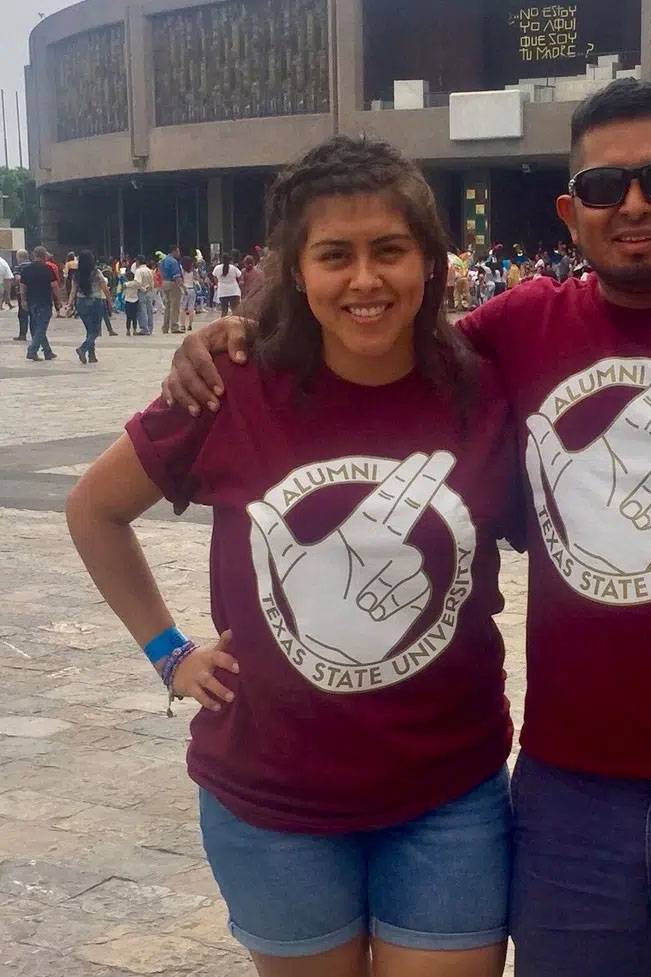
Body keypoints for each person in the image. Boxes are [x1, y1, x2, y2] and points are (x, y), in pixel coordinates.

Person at [165, 79, 651, 977]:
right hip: (570, 799)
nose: (632, 205)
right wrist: (238, 332)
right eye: (603, 187)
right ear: (571, 211)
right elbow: (382, 338)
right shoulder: (516, 329)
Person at [67, 136, 518, 977]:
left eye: (389, 250)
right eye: (334, 255)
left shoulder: (486, 390)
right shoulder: (230, 385)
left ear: (429, 259)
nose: (364, 280)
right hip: (272, 799)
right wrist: (169, 652)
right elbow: (94, 509)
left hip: (448, 794)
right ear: (296, 268)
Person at [65, 250, 113, 364]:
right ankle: (83, 348)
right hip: (95, 302)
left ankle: (92, 355)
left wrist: (70, 304)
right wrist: (110, 302)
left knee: (89, 330)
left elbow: (73, 291)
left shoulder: (77, 274)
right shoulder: (96, 273)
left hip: (81, 303)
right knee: (95, 332)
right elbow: (105, 289)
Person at [20, 246, 62, 360]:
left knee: (37, 327)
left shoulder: (26, 270)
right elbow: (54, 286)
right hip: (44, 302)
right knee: (41, 328)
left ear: (34, 255)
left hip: (31, 302)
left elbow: (23, 287)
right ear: (44, 256)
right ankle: (32, 350)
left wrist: (23, 301)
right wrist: (58, 300)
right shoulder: (48, 269)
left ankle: (47, 351)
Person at [160, 245, 184, 334]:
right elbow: (177, 276)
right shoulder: (173, 262)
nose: (179, 253)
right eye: (178, 251)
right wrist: (183, 288)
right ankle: (174, 326)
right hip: (173, 284)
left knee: (167, 306)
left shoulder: (163, 260)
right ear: (173, 251)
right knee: (175, 306)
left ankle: (165, 327)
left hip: (165, 283)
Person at [132, 255, 155, 335]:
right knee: (149, 310)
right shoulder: (149, 270)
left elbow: (137, 283)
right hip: (149, 292)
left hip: (142, 292)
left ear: (138, 261)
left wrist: (143, 289)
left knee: (142, 310)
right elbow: (152, 282)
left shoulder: (138, 271)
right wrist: (149, 289)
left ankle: (144, 328)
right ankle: (150, 327)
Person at [12, 249, 32, 340]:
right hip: (33, 293)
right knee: (32, 314)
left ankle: (22, 334)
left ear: (20, 257)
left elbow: (17, 279)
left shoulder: (18, 267)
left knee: (22, 314)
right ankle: (34, 334)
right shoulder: (32, 265)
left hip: (22, 293)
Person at [180, 256, 197, 332]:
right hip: (192, 289)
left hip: (184, 289)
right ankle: (190, 325)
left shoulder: (182, 271)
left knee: (182, 308)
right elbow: (197, 279)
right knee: (191, 308)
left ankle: (183, 325)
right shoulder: (193, 271)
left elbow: (180, 280)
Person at [122, 270, 141, 335]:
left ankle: (128, 330)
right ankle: (135, 330)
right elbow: (141, 288)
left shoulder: (126, 284)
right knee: (134, 317)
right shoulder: (136, 284)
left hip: (128, 301)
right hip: (135, 300)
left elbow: (123, 288)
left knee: (128, 317)